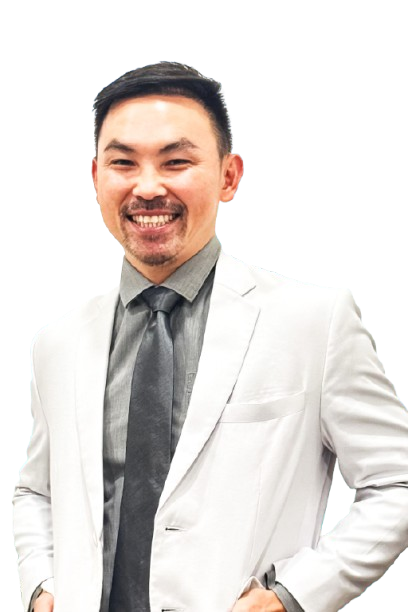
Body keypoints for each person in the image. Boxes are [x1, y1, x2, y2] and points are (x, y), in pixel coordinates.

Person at [12, 61, 407, 612]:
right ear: (97, 177)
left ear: (228, 176)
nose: (148, 187)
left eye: (176, 161)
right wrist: (42, 586)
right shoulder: (57, 342)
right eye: (124, 162)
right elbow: (37, 489)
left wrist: (292, 596)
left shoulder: (315, 320)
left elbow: (398, 484)